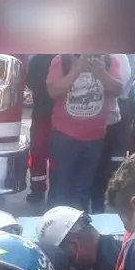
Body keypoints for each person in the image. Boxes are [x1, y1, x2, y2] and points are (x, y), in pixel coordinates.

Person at [45, 54, 124, 211]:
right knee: (60, 188)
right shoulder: (62, 60)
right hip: (63, 137)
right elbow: (52, 91)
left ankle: (80, 228)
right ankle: (55, 227)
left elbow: (118, 89)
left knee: (83, 189)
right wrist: (75, 71)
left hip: (95, 138)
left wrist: (101, 74)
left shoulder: (109, 60)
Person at [90, 54, 132, 214]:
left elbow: (120, 88)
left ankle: (97, 212)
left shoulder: (116, 57)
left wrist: (101, 73)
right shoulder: (70, 57)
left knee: (101, 171)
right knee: (80, 173)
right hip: (77, 126)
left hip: (108, 123)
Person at [24, 54, 57, 202]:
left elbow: (31, 84)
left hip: (43, 113)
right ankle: (54, 192)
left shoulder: (37, 59)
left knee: (39, 154)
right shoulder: (68, 59)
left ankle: (38, 191)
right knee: (53, 156)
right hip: (54, 114)